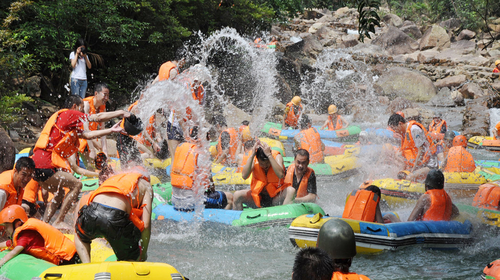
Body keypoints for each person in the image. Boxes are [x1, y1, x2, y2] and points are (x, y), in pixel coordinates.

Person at [31, 95, 129, 230]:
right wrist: (121, 113)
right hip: (46, 163)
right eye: (82, 109)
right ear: (75, 106)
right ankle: (59, 221)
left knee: (59, 193)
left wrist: (111, 130)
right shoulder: (70, 114)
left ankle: (45, 224)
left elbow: (87, 135)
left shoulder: (64, 121)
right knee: (77, 185)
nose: (83, 113)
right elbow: (98, 117)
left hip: (36, 165)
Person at [74, 171, 152, 263]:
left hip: (93, 210)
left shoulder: (116, 179)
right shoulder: (147, 186)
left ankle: (86, 266)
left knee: (80, 235)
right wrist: (143, 253)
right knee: (132, 257)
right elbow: (146, 225)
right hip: (115, 216)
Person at [170, 127, 233, 211]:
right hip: (191, 201)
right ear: (202, 138)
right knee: (229, 197)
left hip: (175, 200)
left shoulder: (180, 148)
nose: (209, 139)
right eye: (208, 136)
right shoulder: (201, 154)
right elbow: (211, 187)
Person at [0, 205, 79, 268]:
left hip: (67, 258)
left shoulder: (26, 234)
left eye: (7, 226)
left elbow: (14, 251)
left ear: (17, 223)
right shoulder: (25, 234)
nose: (6, 230)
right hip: (70, 255)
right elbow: (9, 243)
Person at [232, 140, 294, 210]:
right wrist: (252, 155)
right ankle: (238, 219)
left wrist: (269, 155)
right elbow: (244, 176)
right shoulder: (254, 160)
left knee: (291, 190)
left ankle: (284, 215)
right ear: (258, 159)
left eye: (267, 163)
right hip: (259, 198)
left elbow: (280, 174)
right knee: (237, 195)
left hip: (275, 198)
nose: (265, 166)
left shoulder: (277, 157)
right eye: (262, 164)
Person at [387, 113, 437, 181]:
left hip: (429, 166)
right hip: (419, 165)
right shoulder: (404, 134)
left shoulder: (414, 129)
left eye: (394, 128)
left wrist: (413, 171)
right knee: (400, 175)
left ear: (400, 124)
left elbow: (421, 151)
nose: (395, 131)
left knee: (409, 178)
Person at [79, 83, 110, 168]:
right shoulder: (86, 105)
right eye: (105, 95)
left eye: (108, 95)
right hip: (79, 138)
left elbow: (102, 131)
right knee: (89, 169)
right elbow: (85, 129)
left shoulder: (102, 107)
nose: (106, 98)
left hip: (90, 137)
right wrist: (92, 149)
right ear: (96, 93)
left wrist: (105, 152)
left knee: (99, 165)